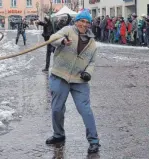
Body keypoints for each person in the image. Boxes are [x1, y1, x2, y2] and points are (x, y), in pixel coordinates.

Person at [46, 10, 100, 154]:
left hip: (79, 80)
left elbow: (92, 62)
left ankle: (94, 141)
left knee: (85, 110)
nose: (84, 24)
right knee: (57, 108)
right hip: (60, 76)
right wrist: (62, 41)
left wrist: (88, 72)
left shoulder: (92, 43)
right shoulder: (68, 30)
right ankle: (59, 135)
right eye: (82, 21)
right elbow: (53, 37)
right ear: (77, 21)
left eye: (87, 22)